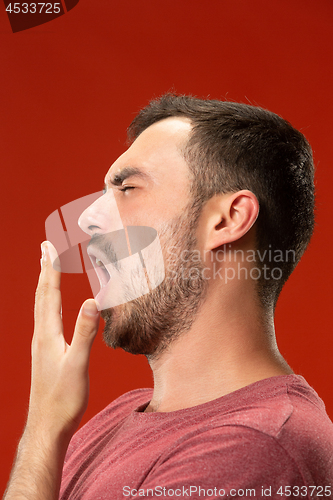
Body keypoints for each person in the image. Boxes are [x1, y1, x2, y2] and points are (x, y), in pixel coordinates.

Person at [4, 95, 333, 500]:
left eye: (127, 187)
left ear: (228, 219)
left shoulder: (255, 443)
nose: (88, 217)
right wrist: (49, 426)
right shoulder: (119, 419)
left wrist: (42, 426)